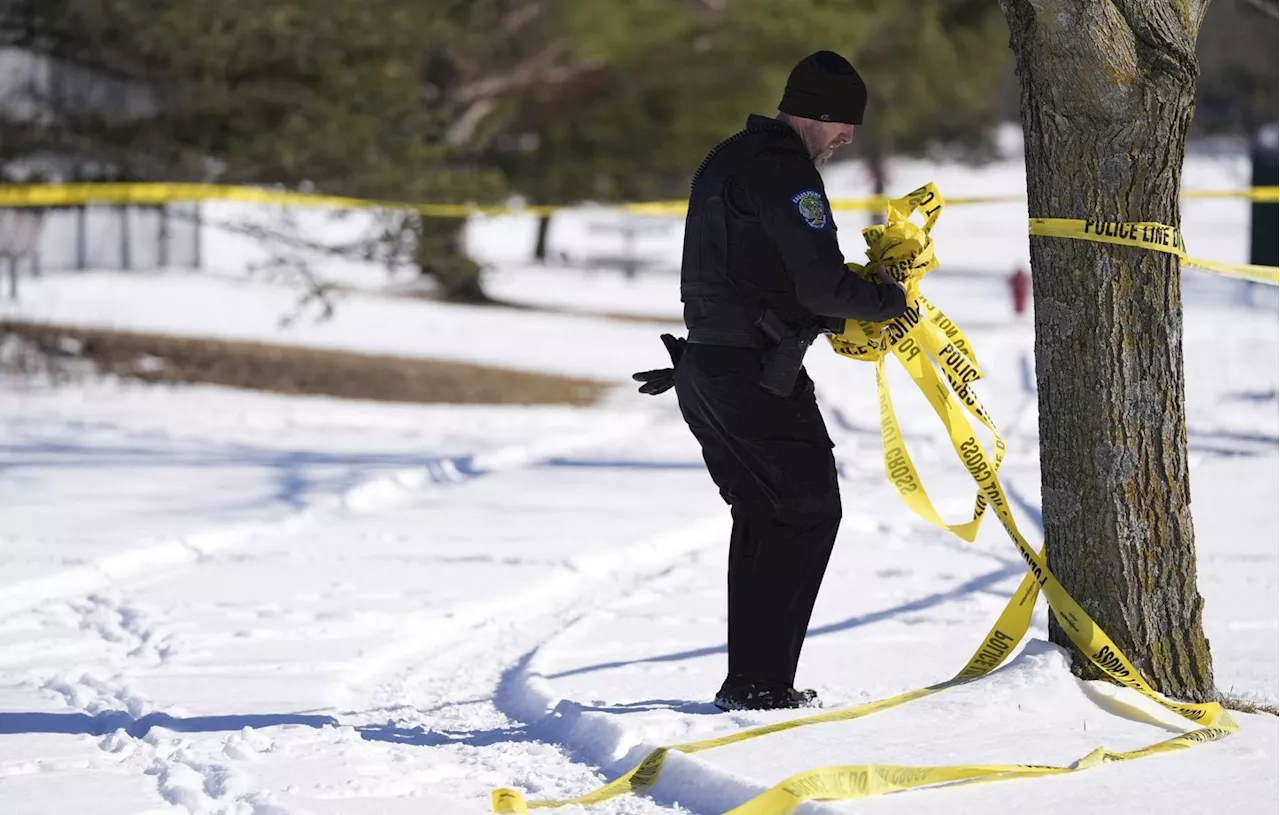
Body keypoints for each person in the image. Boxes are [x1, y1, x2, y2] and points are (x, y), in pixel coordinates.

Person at [632, 50, 908, 712]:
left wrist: (710, 359)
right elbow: (819, 282)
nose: (847, 138)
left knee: (766, 514)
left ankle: (754, 681)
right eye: (844, 125)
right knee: (809, 511)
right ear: (817, 114)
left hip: (709, 368)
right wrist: (891, 301)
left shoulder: (729, 157)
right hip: (753, 373)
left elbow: (740, 271)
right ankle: (759, 682)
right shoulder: (786, 173)